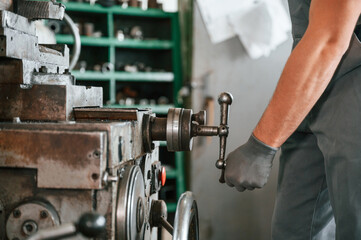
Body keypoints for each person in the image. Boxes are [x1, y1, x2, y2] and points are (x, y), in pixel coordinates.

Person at [224, 0, 361, 239]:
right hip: (312, 86)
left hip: (349, 83)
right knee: (294, 229)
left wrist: (261, 146)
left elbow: (330, 38)